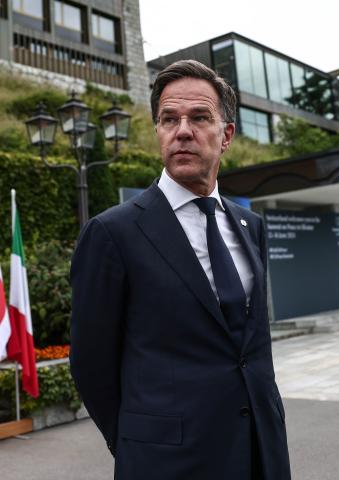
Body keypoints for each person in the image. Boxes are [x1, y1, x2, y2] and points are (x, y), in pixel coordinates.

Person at [69, 59, 291, 480]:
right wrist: (137, 442)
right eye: (169, 119)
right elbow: (90, 363)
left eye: (199, 117)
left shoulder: (251, 226)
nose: (183, 130)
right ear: (158, 131)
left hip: (262, 450)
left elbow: (251, 348)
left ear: (226, 135)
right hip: (167, 462)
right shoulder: (112, 233)